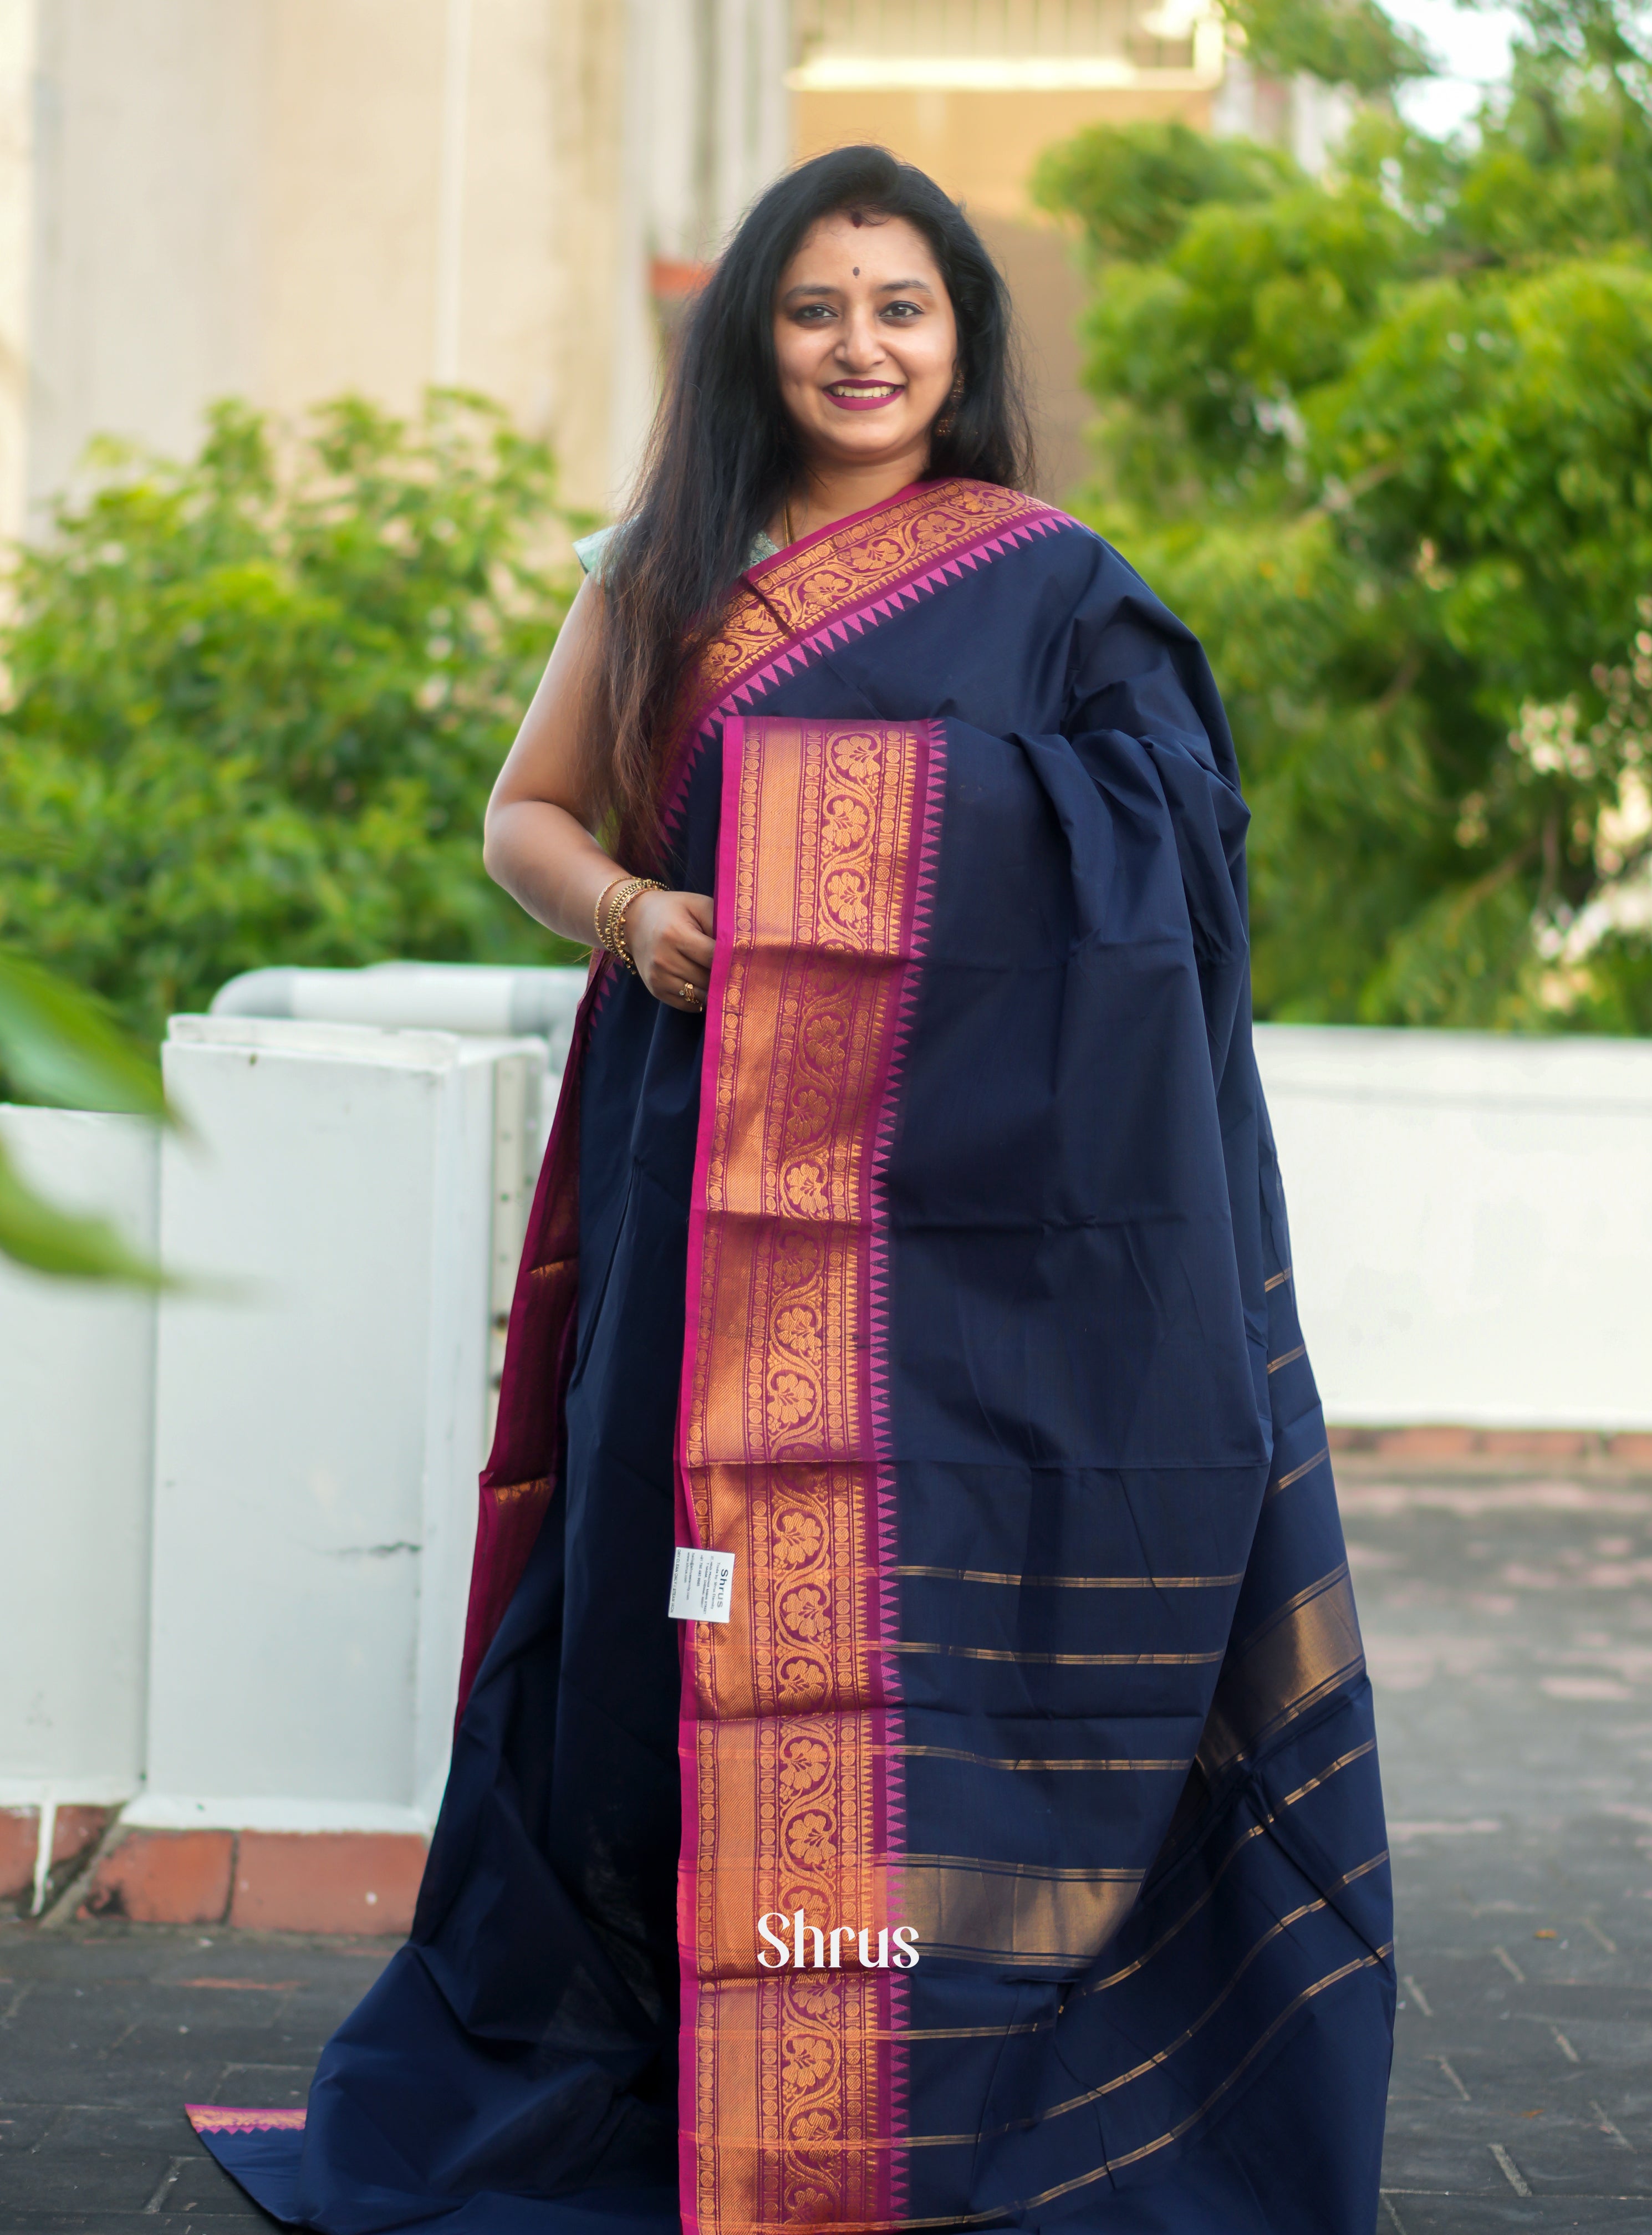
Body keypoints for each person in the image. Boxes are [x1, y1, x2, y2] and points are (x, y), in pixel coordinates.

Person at [191, 144, 1393, 2235]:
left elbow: (1176, 848)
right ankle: (690, 2068)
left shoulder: (1057, 579)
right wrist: (643, 911)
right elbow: (526, 816)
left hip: (975, 1236)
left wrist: (876, 837)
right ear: (757, 330)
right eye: (818, 306)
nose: (862, 345)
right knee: (679, 1624)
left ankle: (944, 2065)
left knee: (957, 1622)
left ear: (962, 339)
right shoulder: (663, 568)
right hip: (711, 1188)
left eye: (903, 307)